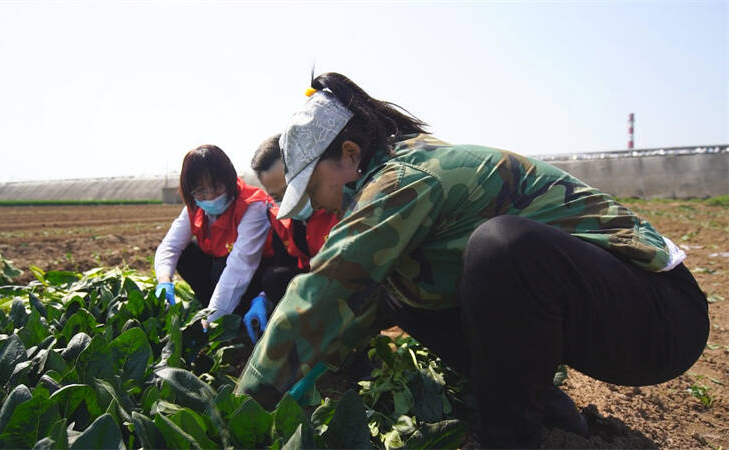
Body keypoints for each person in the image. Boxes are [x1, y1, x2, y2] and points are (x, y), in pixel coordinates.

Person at [235, 72, 710, 447]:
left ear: (350, 153)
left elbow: (327, 287)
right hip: (605, 315)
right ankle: (549, 414)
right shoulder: (392, 174)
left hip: (660, 318)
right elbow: (360, 302)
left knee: (502, 248)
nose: (316, 204)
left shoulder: (403, 179)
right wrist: (311, 368)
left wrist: (241, 406)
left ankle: (511, 439)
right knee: (401, 290)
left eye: (313, 186)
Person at [154, 144, 273, 330]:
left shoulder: (252, 206)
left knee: (221, 269)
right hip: (226, 270)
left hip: (258, 270)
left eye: (217, 187)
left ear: (229, 181)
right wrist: (164, 281)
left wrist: (210, 319)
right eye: (201, 190)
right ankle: (215, 306)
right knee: (188, 254)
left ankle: (236, 312)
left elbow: (240, 266)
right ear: (190, 191)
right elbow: (170, 245)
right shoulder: (195, 206)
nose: (210, 196)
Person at [244, 135, 339, 344]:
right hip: (312, 285)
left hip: (342, 285)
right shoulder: (279, 217)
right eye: (277, 197)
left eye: (292, 190)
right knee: (273, 278)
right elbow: (283, 262)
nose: (289, 202)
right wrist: (263, 296)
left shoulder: (336, 205)